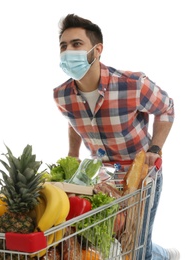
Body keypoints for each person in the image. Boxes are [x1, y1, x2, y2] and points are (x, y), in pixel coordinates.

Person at [53, 14, 180, 260]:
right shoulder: (62, 96)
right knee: (115, 245)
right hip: (102, 178)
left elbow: (167, 108)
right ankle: (163, 254)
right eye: (63, 46)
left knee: (134, 249)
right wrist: (72, 154)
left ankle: (160, 255)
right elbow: (73, 122)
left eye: (76, 44)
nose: (68, 51)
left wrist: (155, 148)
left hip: (140, 175)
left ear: (97, 50)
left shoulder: (132, 85)